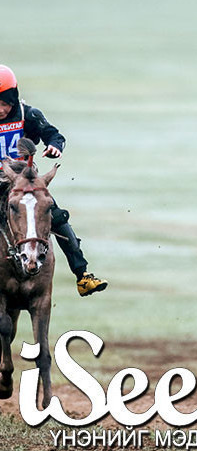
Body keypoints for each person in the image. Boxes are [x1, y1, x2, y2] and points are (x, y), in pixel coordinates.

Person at [0, 65, 108, 296]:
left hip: (24, 182)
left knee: (57, 218)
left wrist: (54, 147)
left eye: (3, 103)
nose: (0, 109)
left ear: (13, 98)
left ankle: (83, 275)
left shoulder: (28, 114)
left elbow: (53, 134)